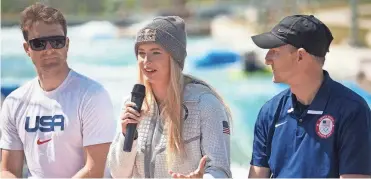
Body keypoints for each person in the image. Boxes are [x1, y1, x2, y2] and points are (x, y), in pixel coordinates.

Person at [107, 16, 232, 178]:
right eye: (141, 53)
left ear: (174, 58)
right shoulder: (133, 104)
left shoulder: (205, 104)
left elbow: (220, 170)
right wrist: (127, 136)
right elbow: (118, 174)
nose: (146, 61)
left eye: (156, 53)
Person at [0, 3, 116, 178]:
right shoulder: (14, 102)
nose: (49, 49)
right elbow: (8, 170)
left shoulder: (92, 95)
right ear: (27, 49)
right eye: (39, 43)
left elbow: (94, 171)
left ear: (67, 44)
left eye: (57, 41)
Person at [248, 14, 371, 178]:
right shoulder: (270, 111)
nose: (267, 59)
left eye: (274, 51)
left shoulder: (352, 111)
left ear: (300, 56)